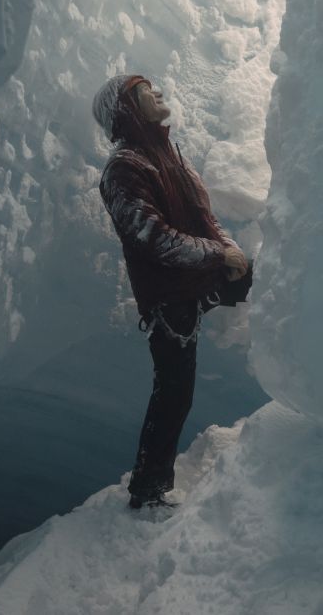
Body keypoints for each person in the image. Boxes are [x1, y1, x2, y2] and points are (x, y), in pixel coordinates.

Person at [93, 74, 252, 510]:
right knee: (174, 391)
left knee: (177, 388)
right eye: (145, 90)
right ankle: (147, 490)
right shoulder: (124, 168)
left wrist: (228, 248)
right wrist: (219, 256)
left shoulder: (166, 153)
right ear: (126, 107)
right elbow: (155, 239)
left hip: (195, 278)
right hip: (170, 295)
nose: (157, 92)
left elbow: (205, 216)